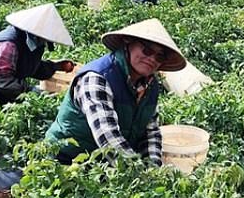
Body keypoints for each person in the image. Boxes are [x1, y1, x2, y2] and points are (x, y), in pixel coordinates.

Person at [46, 18, 186, 164]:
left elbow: (151, 132)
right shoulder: (97, 78)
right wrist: (138, 173)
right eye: (147, 50)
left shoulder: (150, 86)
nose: (151, 58)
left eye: (159, 56)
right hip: (66, 160)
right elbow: (108, 137)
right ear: (128, 43)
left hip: (103, 164)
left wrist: (153, 167)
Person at [0, 3, 74, 114]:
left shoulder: (33, 44)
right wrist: (29, 91)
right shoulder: (8, 45)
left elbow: (30, 66)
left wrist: (56, 66)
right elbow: (1, 79)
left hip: (2, 91)